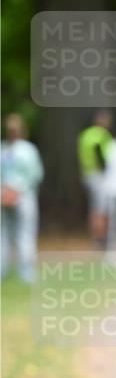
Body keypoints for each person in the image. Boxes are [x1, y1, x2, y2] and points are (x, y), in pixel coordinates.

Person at [1, 114, 44, 282]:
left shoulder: (21, 149)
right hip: (11, 197)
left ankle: (25, 272)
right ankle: (10, 271)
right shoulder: (12, 149)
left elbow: (35, 174)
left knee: (21, 234)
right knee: (10, 234)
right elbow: (37, 174)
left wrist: (14, 191)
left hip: (20, 196)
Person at [78, 110, 114, 249]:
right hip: (100, 175)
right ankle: (101, 238)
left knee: (94, 207)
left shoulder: (85, 135)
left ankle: (95, 236)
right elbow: (99, 152)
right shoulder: (102, 135)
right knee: (101, 208)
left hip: (88, 174)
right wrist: (103, 165)